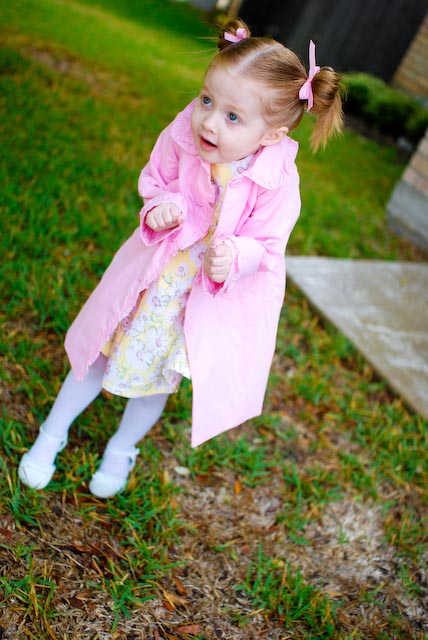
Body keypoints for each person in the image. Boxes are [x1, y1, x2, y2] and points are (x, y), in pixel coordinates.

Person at [18, 19, 343, 498]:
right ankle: (52, 433)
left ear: (271, 136)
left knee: (158, 379)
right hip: (153, 275)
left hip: (194, 299)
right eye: (207, 100)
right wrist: (161, 205)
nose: (209, 121)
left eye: (233, 117)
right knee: (98, 349)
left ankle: (122, 447)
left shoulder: (277, 180)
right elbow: (156, 177)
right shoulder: (184, 132)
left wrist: (236, 255)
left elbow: (268, 243)